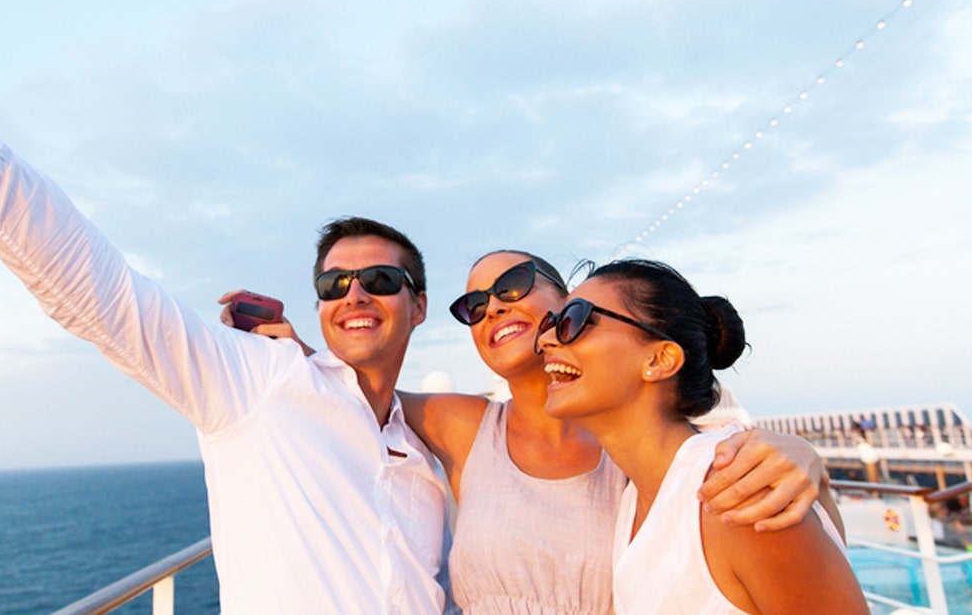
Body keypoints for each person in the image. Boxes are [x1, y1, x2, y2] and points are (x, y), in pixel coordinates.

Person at [0, 19, 449, 613]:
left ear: (420, 306)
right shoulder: (260, 382)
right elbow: (95, 287)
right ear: (320, 305)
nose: (354, 295)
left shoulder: (427, 452)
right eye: (334, 283)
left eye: (380, 281)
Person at [226, 250, 838, 614]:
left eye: (513, 286)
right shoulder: (467, 427)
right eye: (473, 305)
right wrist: (301, 352)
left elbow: (697, 453)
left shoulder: (647, 448)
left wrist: (804, 456)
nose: (492, 307)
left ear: (566, 305)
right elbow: (359, 396)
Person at [537, 259, 867, 613]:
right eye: (553, 323)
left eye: (574, 320)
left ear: (660, 359)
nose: (544, 340)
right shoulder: (638, 499)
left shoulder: (735, 493)